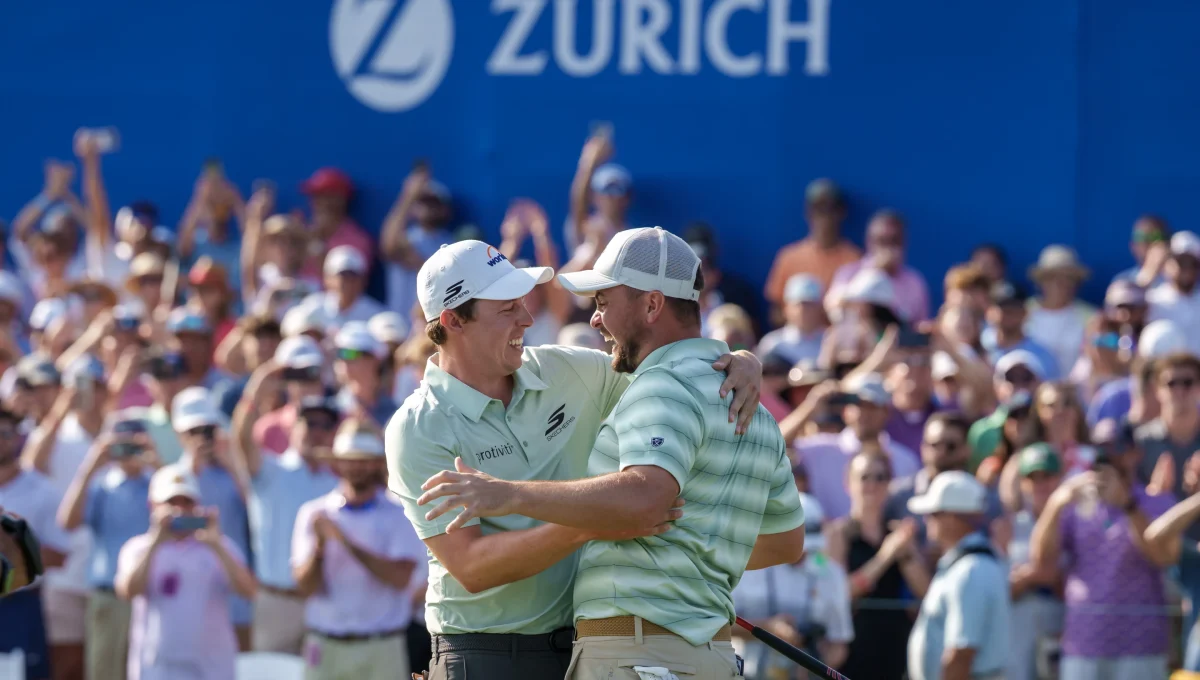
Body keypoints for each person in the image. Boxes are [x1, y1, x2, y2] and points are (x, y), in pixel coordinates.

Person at [416, 227, 805, 680]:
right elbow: (785, 541)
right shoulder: (753, 411)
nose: (595, 319)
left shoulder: (659, 385)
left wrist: (508, 495)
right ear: (452, 321)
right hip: (708, 658)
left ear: (653, 305)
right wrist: (686, 545)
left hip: (634, 655)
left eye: (603, 303)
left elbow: (644, 500)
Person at [1030, 423, 1174, 680]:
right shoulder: (1073, 504)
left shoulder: (1157, 501)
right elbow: (1042, 560)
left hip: (1140, 648)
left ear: (1134, 453)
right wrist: (1056, 503)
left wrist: (1127, 506)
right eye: (1100, 450)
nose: (1106, 458)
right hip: (1083, 646)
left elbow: (1162, 556)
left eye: (1115, 449)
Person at [292, 424, 424, 680]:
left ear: (376, 464)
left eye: (363, 461)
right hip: (326, 644)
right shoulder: (314, 513)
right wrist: (320, 548)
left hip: (382, 646)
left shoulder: (399, 514)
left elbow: (400, 578)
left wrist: (345, 542)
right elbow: (305, 587)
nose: (356, 467)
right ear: (338, 464)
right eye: (350, 461)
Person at [230, 368, 339, 655]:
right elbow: (242, 440)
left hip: (325, 604)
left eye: (325, 425)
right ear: (293, 426)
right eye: (310, 422)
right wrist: (253, 395)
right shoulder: (270, 470)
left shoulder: (340, 484)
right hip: (275, 602)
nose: (317, 431)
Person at [115, 466, 256, 680]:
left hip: (212, 669)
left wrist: (216, 546)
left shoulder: (220, 546)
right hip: (157, 668)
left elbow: (249, 592)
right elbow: (127, 591)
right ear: (153, 506)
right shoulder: (138, 549)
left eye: (187, 502)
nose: (180, 510)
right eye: (171, 503)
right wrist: (156, 542)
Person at [56, 412, 157, 680]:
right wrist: (90, 466)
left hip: (153, 598)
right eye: (120, 444)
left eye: (132, 443)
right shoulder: (102, 485)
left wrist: (155, 460)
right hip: (108, 597)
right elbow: (67, 522)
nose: (126, 451)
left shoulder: (159, 486)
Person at [825, 450, 928, 680]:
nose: (872, 484)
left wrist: (907, 553)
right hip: (852, 646)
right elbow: (840, 593)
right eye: (864, 477)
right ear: (848, 483)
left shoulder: (898, 533)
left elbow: (925, 592)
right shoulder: (837, 534)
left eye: (880, 477)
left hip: (896, 646)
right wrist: (886, 555)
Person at [167, 386, 254, 650]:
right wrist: (193, 467)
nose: (200, 439)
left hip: (235, 590)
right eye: (193, 432)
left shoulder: (231, 471)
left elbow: (257, 512)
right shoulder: (171, 477)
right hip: (190, 592)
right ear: (179, 434)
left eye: (206, 430)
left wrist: (230, 462)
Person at [733, 493, 853, 679]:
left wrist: (814, 666)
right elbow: (720, 625)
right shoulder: (745, 564)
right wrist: (769, 627)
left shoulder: (831, 573)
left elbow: (839, 643)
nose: (802, 556)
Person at [907, 471, 1010, 680]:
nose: (926, 519)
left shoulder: (971, 570)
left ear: (954, 518)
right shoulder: (965, 565)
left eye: (934, 513)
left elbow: (961, 654)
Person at [0, 406, 69, 680]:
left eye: (5, 433)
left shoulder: (43, 490)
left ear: (18, 437)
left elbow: (59, 556)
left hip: (19, 608)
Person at [795, 374, 921, 519]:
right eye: (857, 405)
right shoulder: (820, 450)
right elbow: (770, 447)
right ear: (845, 411)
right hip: (829, 539)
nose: (863, 413)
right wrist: (809, 408)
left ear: (887, 412)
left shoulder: (906, 460)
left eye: (872, 406)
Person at [1003, 443, 1065, 680]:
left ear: (1060, 478)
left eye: (1047, 476)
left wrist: (1048, 576)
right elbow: (1001, 590)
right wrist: (1033, 576)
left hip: (1063, 628)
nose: (1041, 485)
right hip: (1019, 629)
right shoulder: (1009, 527)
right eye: (1033, 477)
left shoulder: (1074, 524)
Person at [764, 178, 860, 306]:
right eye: (817, 208)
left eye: (830, 208)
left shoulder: (855, 259)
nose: (824, 215)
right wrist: (802, 314)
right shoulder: (789, 257)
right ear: (808, 212)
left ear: (841, 212)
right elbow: (775, 312)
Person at [827, 210, 931, 323]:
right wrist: (876, 271)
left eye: (894, 240)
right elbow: (833, 305)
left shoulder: (915, 282)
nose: (888, 247)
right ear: (869, 242)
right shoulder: (848, 272)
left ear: (904, 243)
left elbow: (920, 325)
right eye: (882, 241)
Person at [381, 164, 454, 321]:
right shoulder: (406, 237)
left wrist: (418, 261)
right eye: (422, 202)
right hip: (397, 329)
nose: (428, 208)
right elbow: (388, 246)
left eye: (434, 203)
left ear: (445, 209)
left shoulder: (452, 244)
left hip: (433, 326)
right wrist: (408, 197)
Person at [1025, 245, 1096, 377]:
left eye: (1067, 277)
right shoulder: (1024, 312)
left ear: (1076, 283)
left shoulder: (1091, 316)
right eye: (1051, 277)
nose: (1059, 283)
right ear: (1041, 282)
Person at [981, 282, 1060, 380]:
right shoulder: (978, 345)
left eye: (1015, 309)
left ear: (1025, 313)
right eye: (1004, 310)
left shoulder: (1043, 355)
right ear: (989, 312)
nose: (1009, 315)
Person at [1147, 231, 1200, 357]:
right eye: (1181, 263)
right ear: (1166, 264)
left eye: (1192, 263)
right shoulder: (1152, 300)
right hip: (1166, 374)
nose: (1187, 269)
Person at [756, 274, 826, 366]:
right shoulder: (771, 344)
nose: (804, 311)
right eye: (798, 305)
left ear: (820, 308)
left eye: (810, 305)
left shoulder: (829, 342)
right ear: (786, 308)